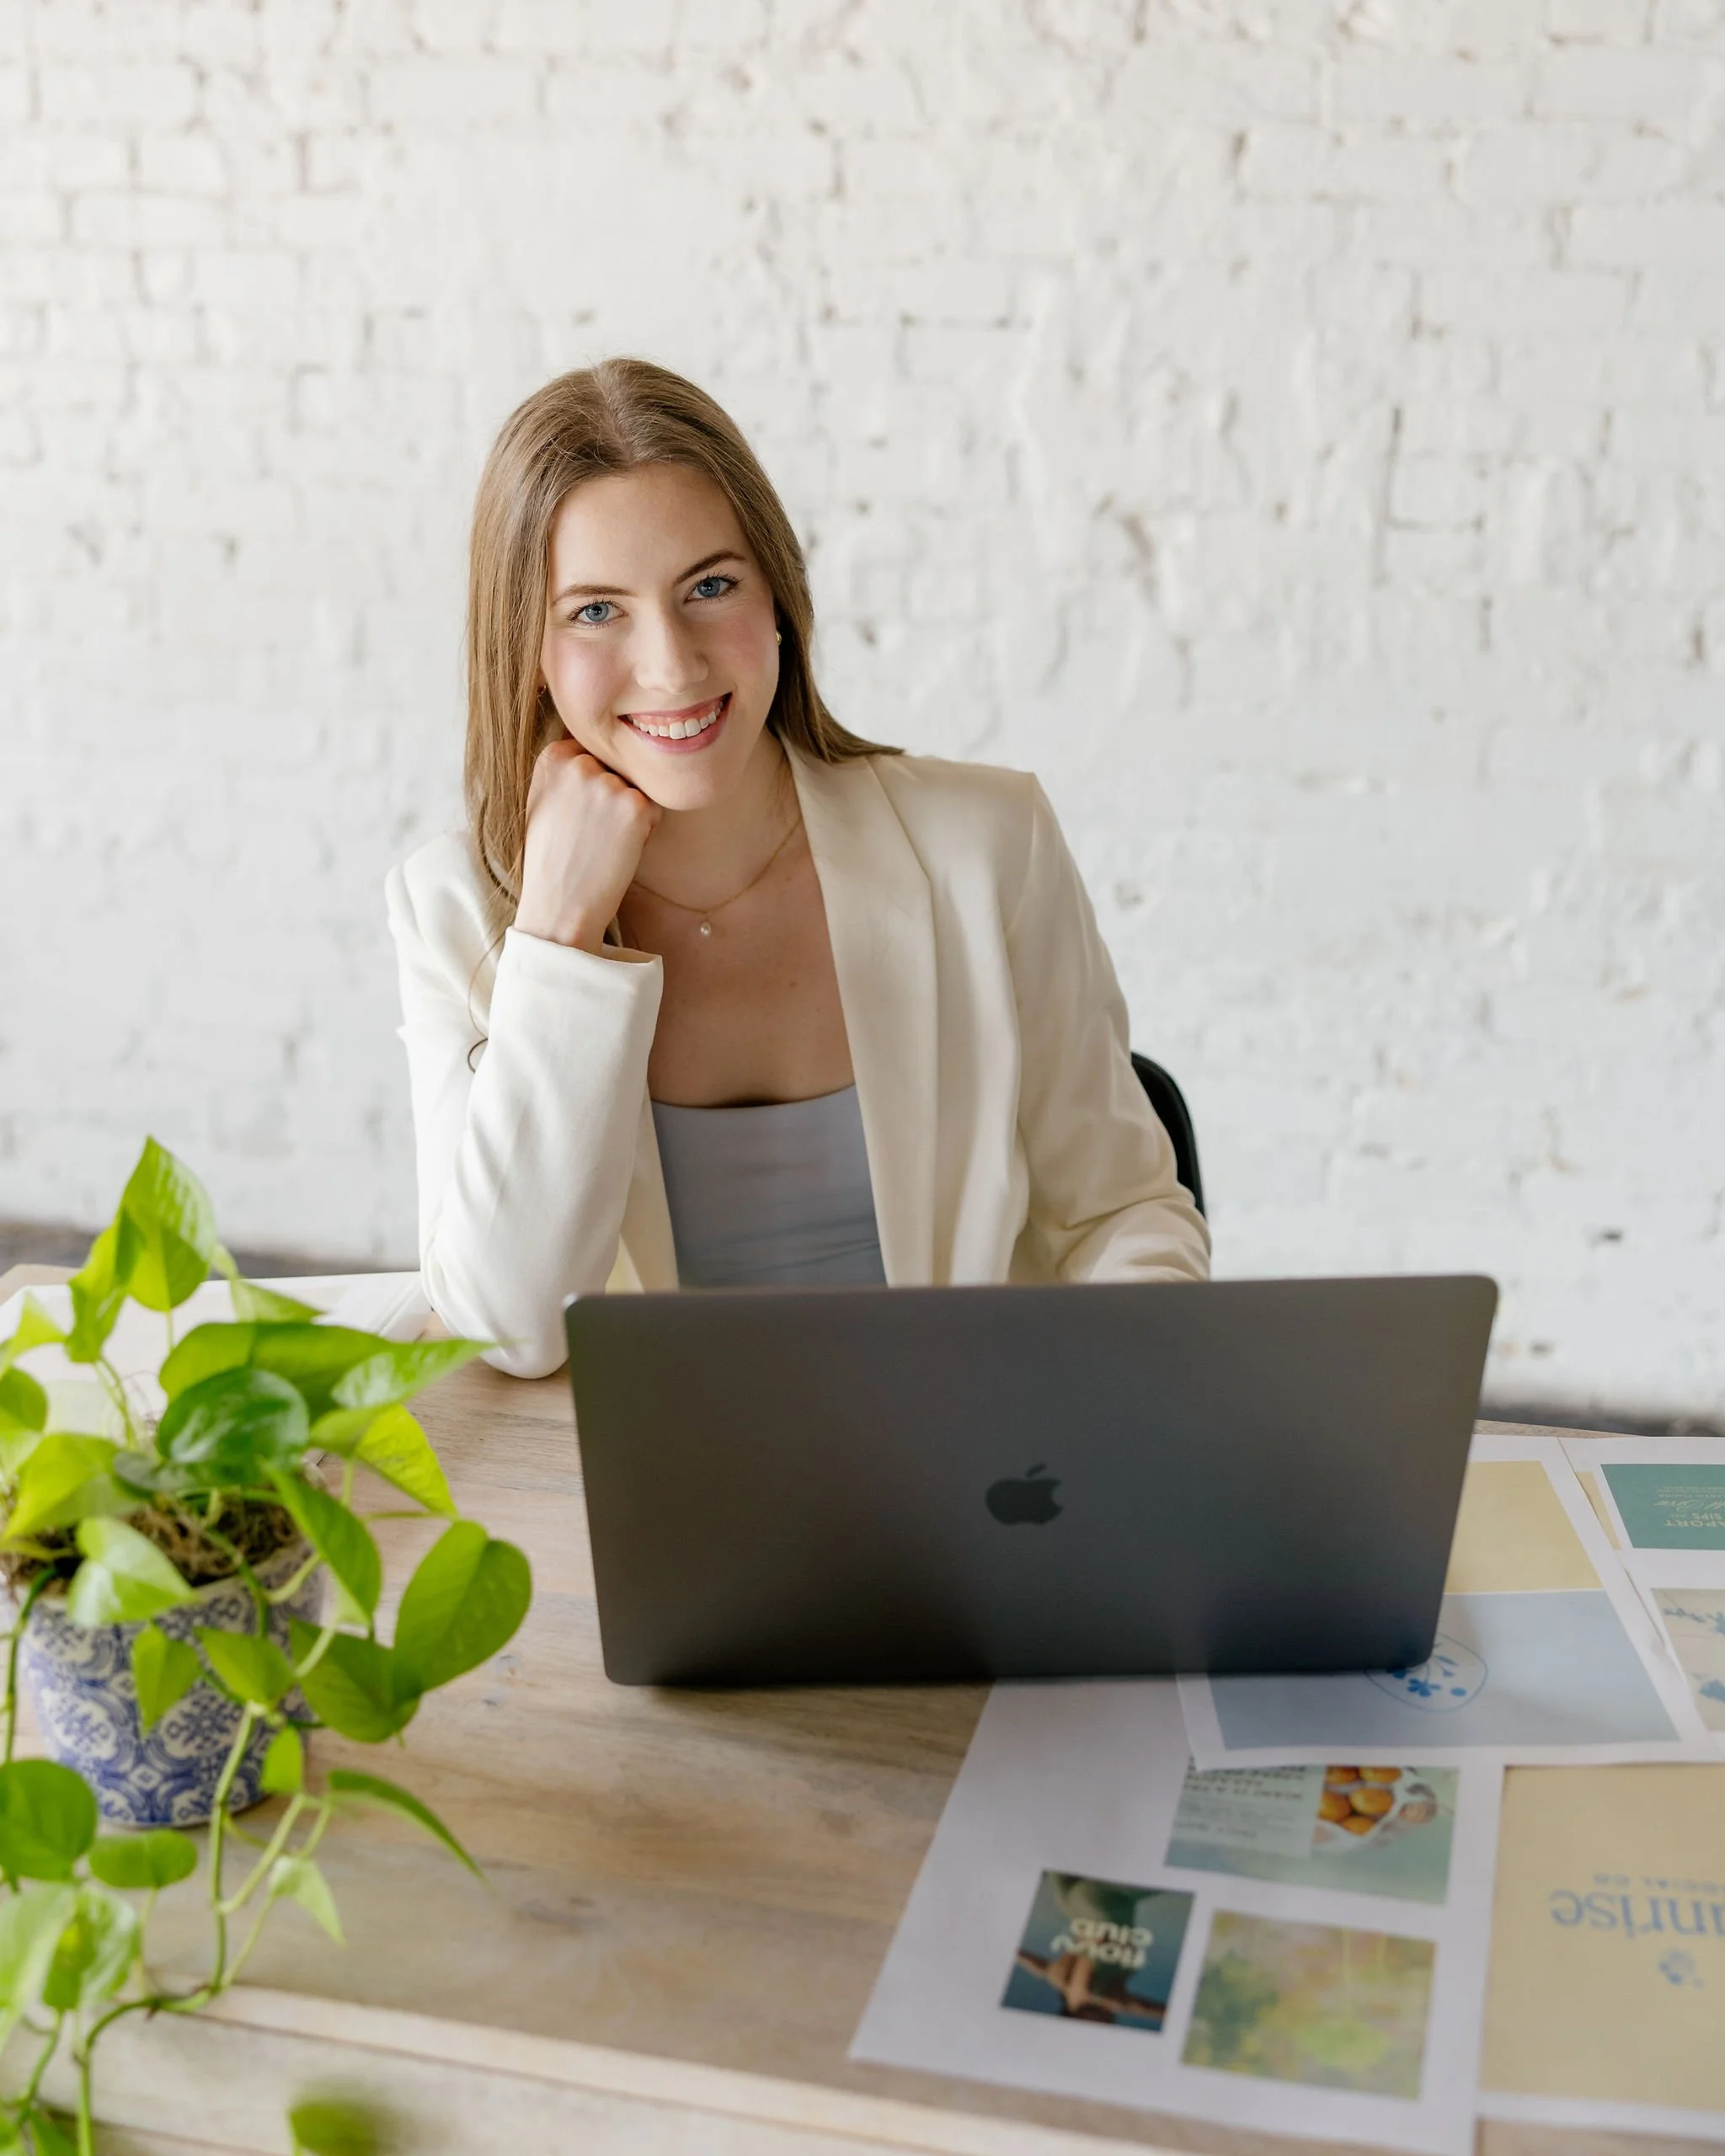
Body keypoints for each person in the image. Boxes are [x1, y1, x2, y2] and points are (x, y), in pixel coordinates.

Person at [387, 359, 1209, 1379]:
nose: (673, 665)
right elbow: (506, 1330)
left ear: (777, 595)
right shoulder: (455, 909)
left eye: (709, 586)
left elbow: (1123, 1211)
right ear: (527, 648)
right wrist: (556, 937)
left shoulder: (986, 845)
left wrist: (1106, 1420)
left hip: (975, 1481)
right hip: (644, 1498)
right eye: (596, 611)